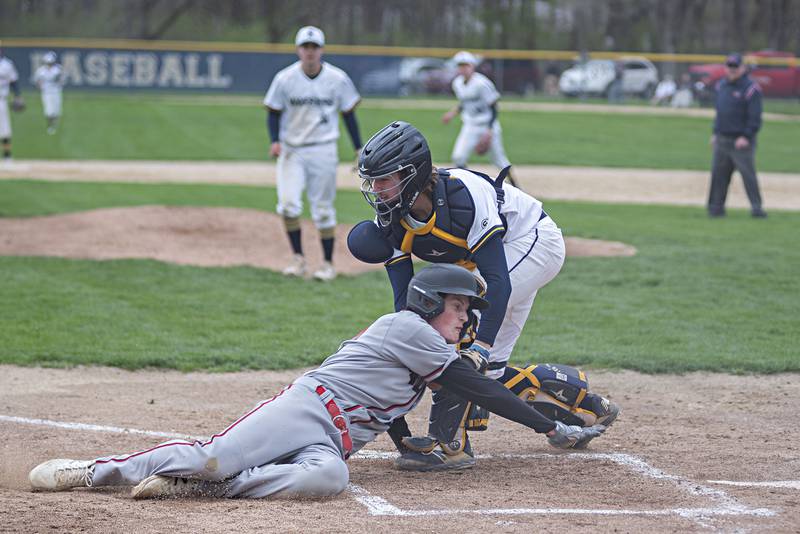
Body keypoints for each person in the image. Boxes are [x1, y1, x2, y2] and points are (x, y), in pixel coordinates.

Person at [28, 264, 606, 499]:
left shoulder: (420, 342)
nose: (465, 320)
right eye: (458, 308)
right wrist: (547, 426)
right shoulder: (407, 326)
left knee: (329, 479)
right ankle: (94, 471)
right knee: (211, 456)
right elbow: (479, 388)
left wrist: (408, 442)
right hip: (307, 408)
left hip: (332, 441)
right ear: (430, 305)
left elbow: (394, 403)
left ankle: (208, 489)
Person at [350, 121, 617, 471]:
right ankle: (583, 407)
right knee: (485, 373)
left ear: (411, 174)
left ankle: (451, 446)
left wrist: (479, 346)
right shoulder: (389, 219)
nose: (376, 188)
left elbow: (497, 283)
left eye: (384, 179)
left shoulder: (465, 196)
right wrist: (411, 343)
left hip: (532, 240)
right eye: (372, 180)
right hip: (493, 260)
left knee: (461, 329)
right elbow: (406, 302)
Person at [264, 26, 363, 281]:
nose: (310, 52)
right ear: (298, 50)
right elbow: (273, 112)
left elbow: (348, 114)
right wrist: (274, 140)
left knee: (323, 209)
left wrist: (358, 147)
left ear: (321, 50)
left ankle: (327, 264)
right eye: (305, 47)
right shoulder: (284, 79)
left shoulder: (337, 79)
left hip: (323, 149)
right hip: (292, 149)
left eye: (314, 47)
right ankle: (298, 258)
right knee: (287, 204)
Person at [441, 51, 518, 188]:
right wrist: (452, 113)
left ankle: (516, 187)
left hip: (487, 125)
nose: (463, 69)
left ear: (473, 66)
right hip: (470, 125)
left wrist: (489, 130)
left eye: (466, 65)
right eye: (460, 66)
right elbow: (465, 103)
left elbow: (494, 107)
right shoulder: (457, 83)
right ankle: (465, 186)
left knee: (500, 160)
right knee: (458, 157)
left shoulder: (482, 84)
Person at [708, 53, 766, 218]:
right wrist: (715, 133)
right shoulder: (721, 86)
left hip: (741, 141)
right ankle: (715, 208)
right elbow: (720, 113)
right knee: (719, 175)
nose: (732, 70)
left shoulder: (751, 88)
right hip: (722, 139)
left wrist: (746, 136)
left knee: (748, 175)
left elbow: (755, 117)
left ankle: (757, 208)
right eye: (729, 66)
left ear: (743, 68)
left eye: (735, 67)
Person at [0, 44, 24, 163]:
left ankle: (7, 155)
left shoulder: (7, 65)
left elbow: (14, 81)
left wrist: (18, 96)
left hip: (1, 100)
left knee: (4, 129)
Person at [33, 51, 64, 135]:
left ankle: (55, 124)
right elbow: (36, 80)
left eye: (50, 63)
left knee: (57, 111)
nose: (49, 64)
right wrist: (40, 87)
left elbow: (62, 80)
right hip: (46, 92)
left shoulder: (58, 69)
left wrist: (59, 82)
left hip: (56, 92)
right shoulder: (41, 71)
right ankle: (50, 126)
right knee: (49, 111)